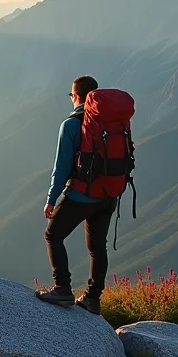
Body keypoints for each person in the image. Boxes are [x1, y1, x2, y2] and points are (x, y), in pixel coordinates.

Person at [35, 76, 115, 314]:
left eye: (71, 95)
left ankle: (62, 289)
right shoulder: (110, 121)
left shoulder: (70, 125)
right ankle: (92, 298)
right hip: (109, 195)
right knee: (98, 247)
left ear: (77, 96)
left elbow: (61, 168)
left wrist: (51, 199)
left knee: (52, 234)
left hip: (82, 195)